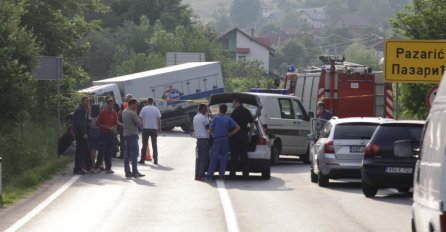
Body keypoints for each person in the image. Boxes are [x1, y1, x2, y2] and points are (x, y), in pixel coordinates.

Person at [205, 104, 240, 180]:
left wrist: (211, 134)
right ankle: (221, 175)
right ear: (226, 110)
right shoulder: (228, 119)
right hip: (225, 139)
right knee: (224, 158)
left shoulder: (215, 118)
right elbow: (238, 127)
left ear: (219, 110)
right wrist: (230, 134)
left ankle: (209, 175)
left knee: (214, 158)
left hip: (216, 140)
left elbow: (210, 130)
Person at [229, 97, 254, 179]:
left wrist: (229, 134)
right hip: (244, 136)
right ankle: (245, 173)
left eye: (233, 103)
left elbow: (230, 124)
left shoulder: (234, 112)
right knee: (244, 155)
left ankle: (233, 173)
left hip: (235, 137)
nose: (232, 104)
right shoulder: (247, 111)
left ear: (237, 102)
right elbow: (252, 123)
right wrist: (250, 135)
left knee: (234, 156)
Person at [95, 97, 120, 173]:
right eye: (110, 104)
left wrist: (115, 128)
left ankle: (108, 168)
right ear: (107, 104)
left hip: (111, 134)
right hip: (103, 133)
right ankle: (97, 167)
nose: (111, 105)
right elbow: (97, 123)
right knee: (101, 151)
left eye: (112, 104)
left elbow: (116, 123)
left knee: (109, 151)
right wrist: (107, 127)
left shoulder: (114, 113)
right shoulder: (103, 112)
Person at [122, 98, 145, 177]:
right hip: (132, 135)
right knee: (135, 153)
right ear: (132, 104)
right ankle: (135, 171)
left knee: (127, 154)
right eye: (136, 104)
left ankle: (127, 171)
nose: (137, 106)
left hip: (126, 134)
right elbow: (139, 124)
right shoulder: (132, 113)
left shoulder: (124, 112)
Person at [139, 97, 161, 165]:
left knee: (144, 144)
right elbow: (159, 119)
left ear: (147, 102)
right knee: (154, 144)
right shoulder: (156, 109)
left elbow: (141, 119)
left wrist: (141, 127)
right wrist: (159, 128)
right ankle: (155, 160)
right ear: (153, 102)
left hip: (146, 128)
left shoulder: (144, 108)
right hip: (154, 129)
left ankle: (142, 159)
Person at [72, 96, 90, 175]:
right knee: (80, 151)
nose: (87, 103)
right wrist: (83, 134)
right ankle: (78, 169)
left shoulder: (83, 109)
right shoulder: (80, 110)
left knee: (81, 151)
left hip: (80, 133)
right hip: (80, 134)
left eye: (88, 101)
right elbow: (79, 123)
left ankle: (80, 168)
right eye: (86, 101)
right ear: (82, 101)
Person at [193, 103, 210, 181]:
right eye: (206, 109)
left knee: (199, 159)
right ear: (202, 109)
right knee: (204, 158)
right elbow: (209, 128)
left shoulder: (195, 117)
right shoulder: (204, 118)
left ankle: (197, 175)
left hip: (199, 140)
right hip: (204, 140)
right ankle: (201, 176)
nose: (207, 110)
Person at [88, 103, 101, 172]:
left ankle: (93, 164)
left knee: (93, 149)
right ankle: (100, 164)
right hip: (98, 132)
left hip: (91, 133)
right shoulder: (99, 116)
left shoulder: (90, 116)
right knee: (100, 149)